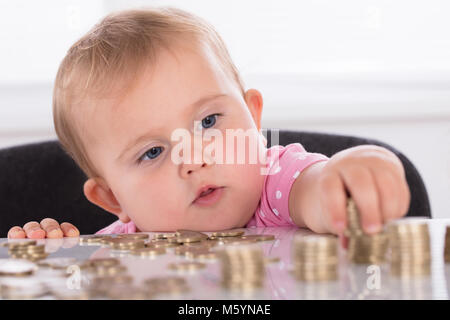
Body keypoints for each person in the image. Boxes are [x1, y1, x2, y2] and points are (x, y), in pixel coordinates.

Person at [7, 7, 410, 240]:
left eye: (209, 121)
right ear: (114, 198)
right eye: (152, 152)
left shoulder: (275, 185)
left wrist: (347, 176)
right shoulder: (112, 253)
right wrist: (51, 268)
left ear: (252, 118)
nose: (193, 159)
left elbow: (318, 193)